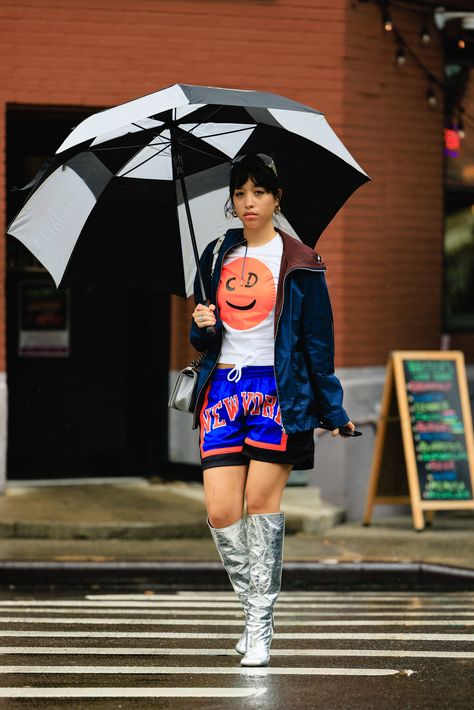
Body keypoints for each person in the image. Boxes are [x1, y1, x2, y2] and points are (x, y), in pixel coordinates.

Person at [189, 152, 355, 667]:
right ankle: (252, 607)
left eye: (259, 192)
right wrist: (202, 323)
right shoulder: (216, 255)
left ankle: (258, 627)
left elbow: (316, 345)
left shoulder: (301, 262)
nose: (248, 203)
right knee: (220, 512)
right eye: (240, 193)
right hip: (223, 392)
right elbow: (203, 339)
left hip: (278, 395)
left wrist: (332, 409)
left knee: (261, 507)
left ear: (277, 198)